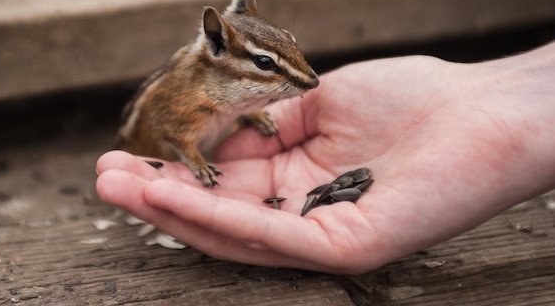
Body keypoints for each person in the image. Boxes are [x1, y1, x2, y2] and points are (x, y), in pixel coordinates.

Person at [96, 41, 555, 274]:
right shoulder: (189, 95)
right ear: (217, 49)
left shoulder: (230, 93)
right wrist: (195, 161)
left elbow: (234, 104)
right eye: (266, 66)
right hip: (158, 148)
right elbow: (176, 130)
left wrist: (250, 117)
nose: (309, 83)